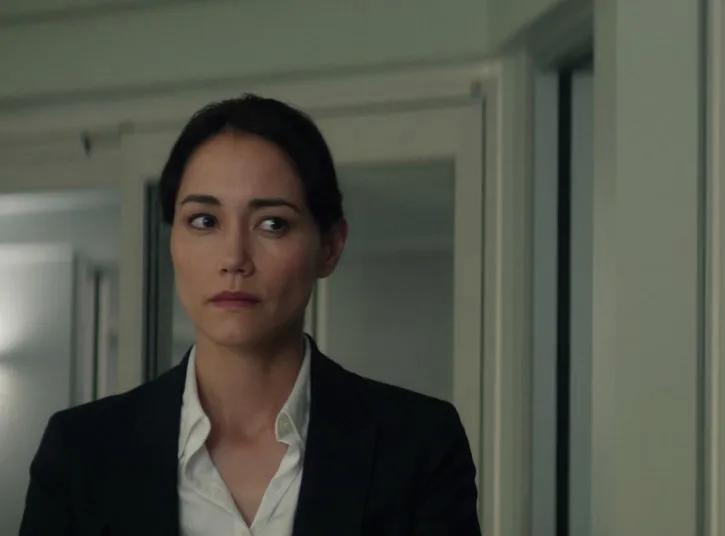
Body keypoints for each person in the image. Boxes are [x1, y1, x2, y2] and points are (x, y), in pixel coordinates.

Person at [20, 95, 482, 535]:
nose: (234, 258)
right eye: (205, 221)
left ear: (330, 246)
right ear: (172, 240)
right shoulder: (82, 451)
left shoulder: (417, 446)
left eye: (272, 224)